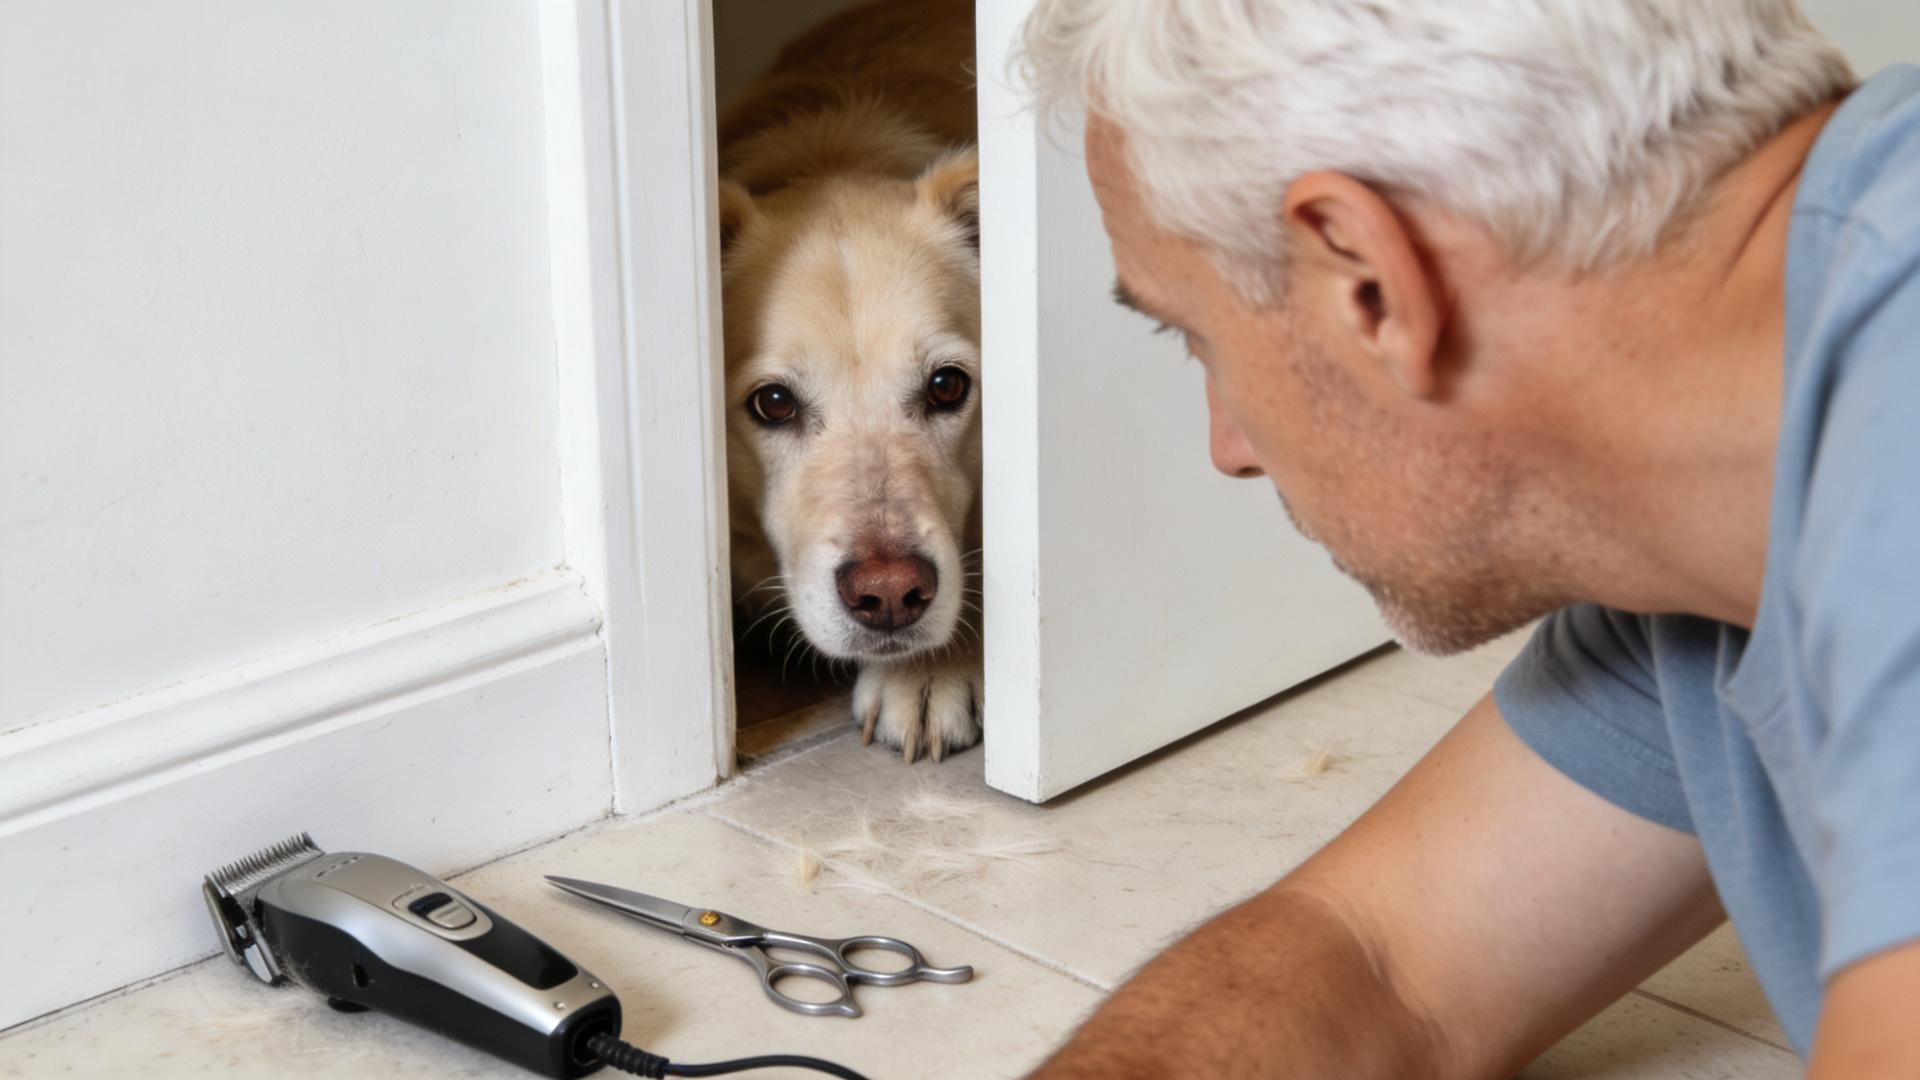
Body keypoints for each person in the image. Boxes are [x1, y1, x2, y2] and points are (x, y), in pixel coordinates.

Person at [1013, 3, 1920, 1077]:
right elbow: (1384, 968)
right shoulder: (1708, 532)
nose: (1230, 448)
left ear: (1369, 279)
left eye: (1197, 333)